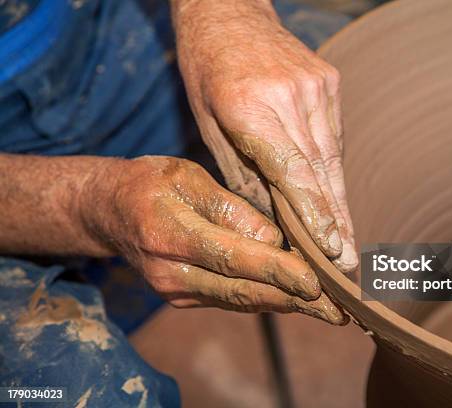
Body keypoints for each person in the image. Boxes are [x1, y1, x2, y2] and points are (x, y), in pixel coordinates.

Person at [0, 0, 357, 405]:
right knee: (93, 394)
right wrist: (86, 202)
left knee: (361, 84)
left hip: (87, 30)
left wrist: (225, 13)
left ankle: (436, 284)